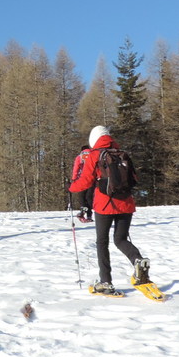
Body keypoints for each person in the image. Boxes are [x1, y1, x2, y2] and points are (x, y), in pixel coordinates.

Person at [67, 126, 150, 294]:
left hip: (104, 205)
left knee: (102, 242)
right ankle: (138, 260)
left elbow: (86, 181)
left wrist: (71, 187)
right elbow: (134, 178)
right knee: (120, 239)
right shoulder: (122, 154)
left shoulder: (94, 155)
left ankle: (106, 281)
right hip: (126, 203)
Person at [69, 144, 93, 222]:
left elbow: (76, 168)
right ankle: (89, 215)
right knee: (89, 197)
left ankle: (83, 210)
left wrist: (74, 178)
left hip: (82, 179)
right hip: (93, 179)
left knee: (82, 196)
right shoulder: (93, 155)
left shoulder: (80, 157)